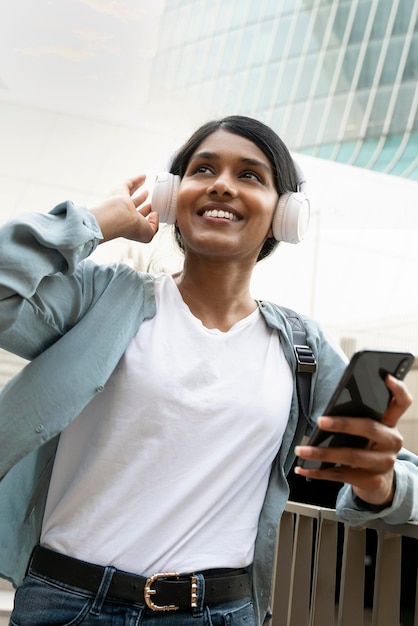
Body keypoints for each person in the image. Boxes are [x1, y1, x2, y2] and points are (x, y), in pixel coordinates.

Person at [0, 115, 416, 626]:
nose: (222, 184)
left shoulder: (302, 348)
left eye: (250, 175)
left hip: (216, 613)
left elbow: (398, 472)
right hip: (66, 603)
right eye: (203, 169)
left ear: (285, 214)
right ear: (172, 196)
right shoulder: (102, 297)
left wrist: (381, 486)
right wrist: (94, 221)